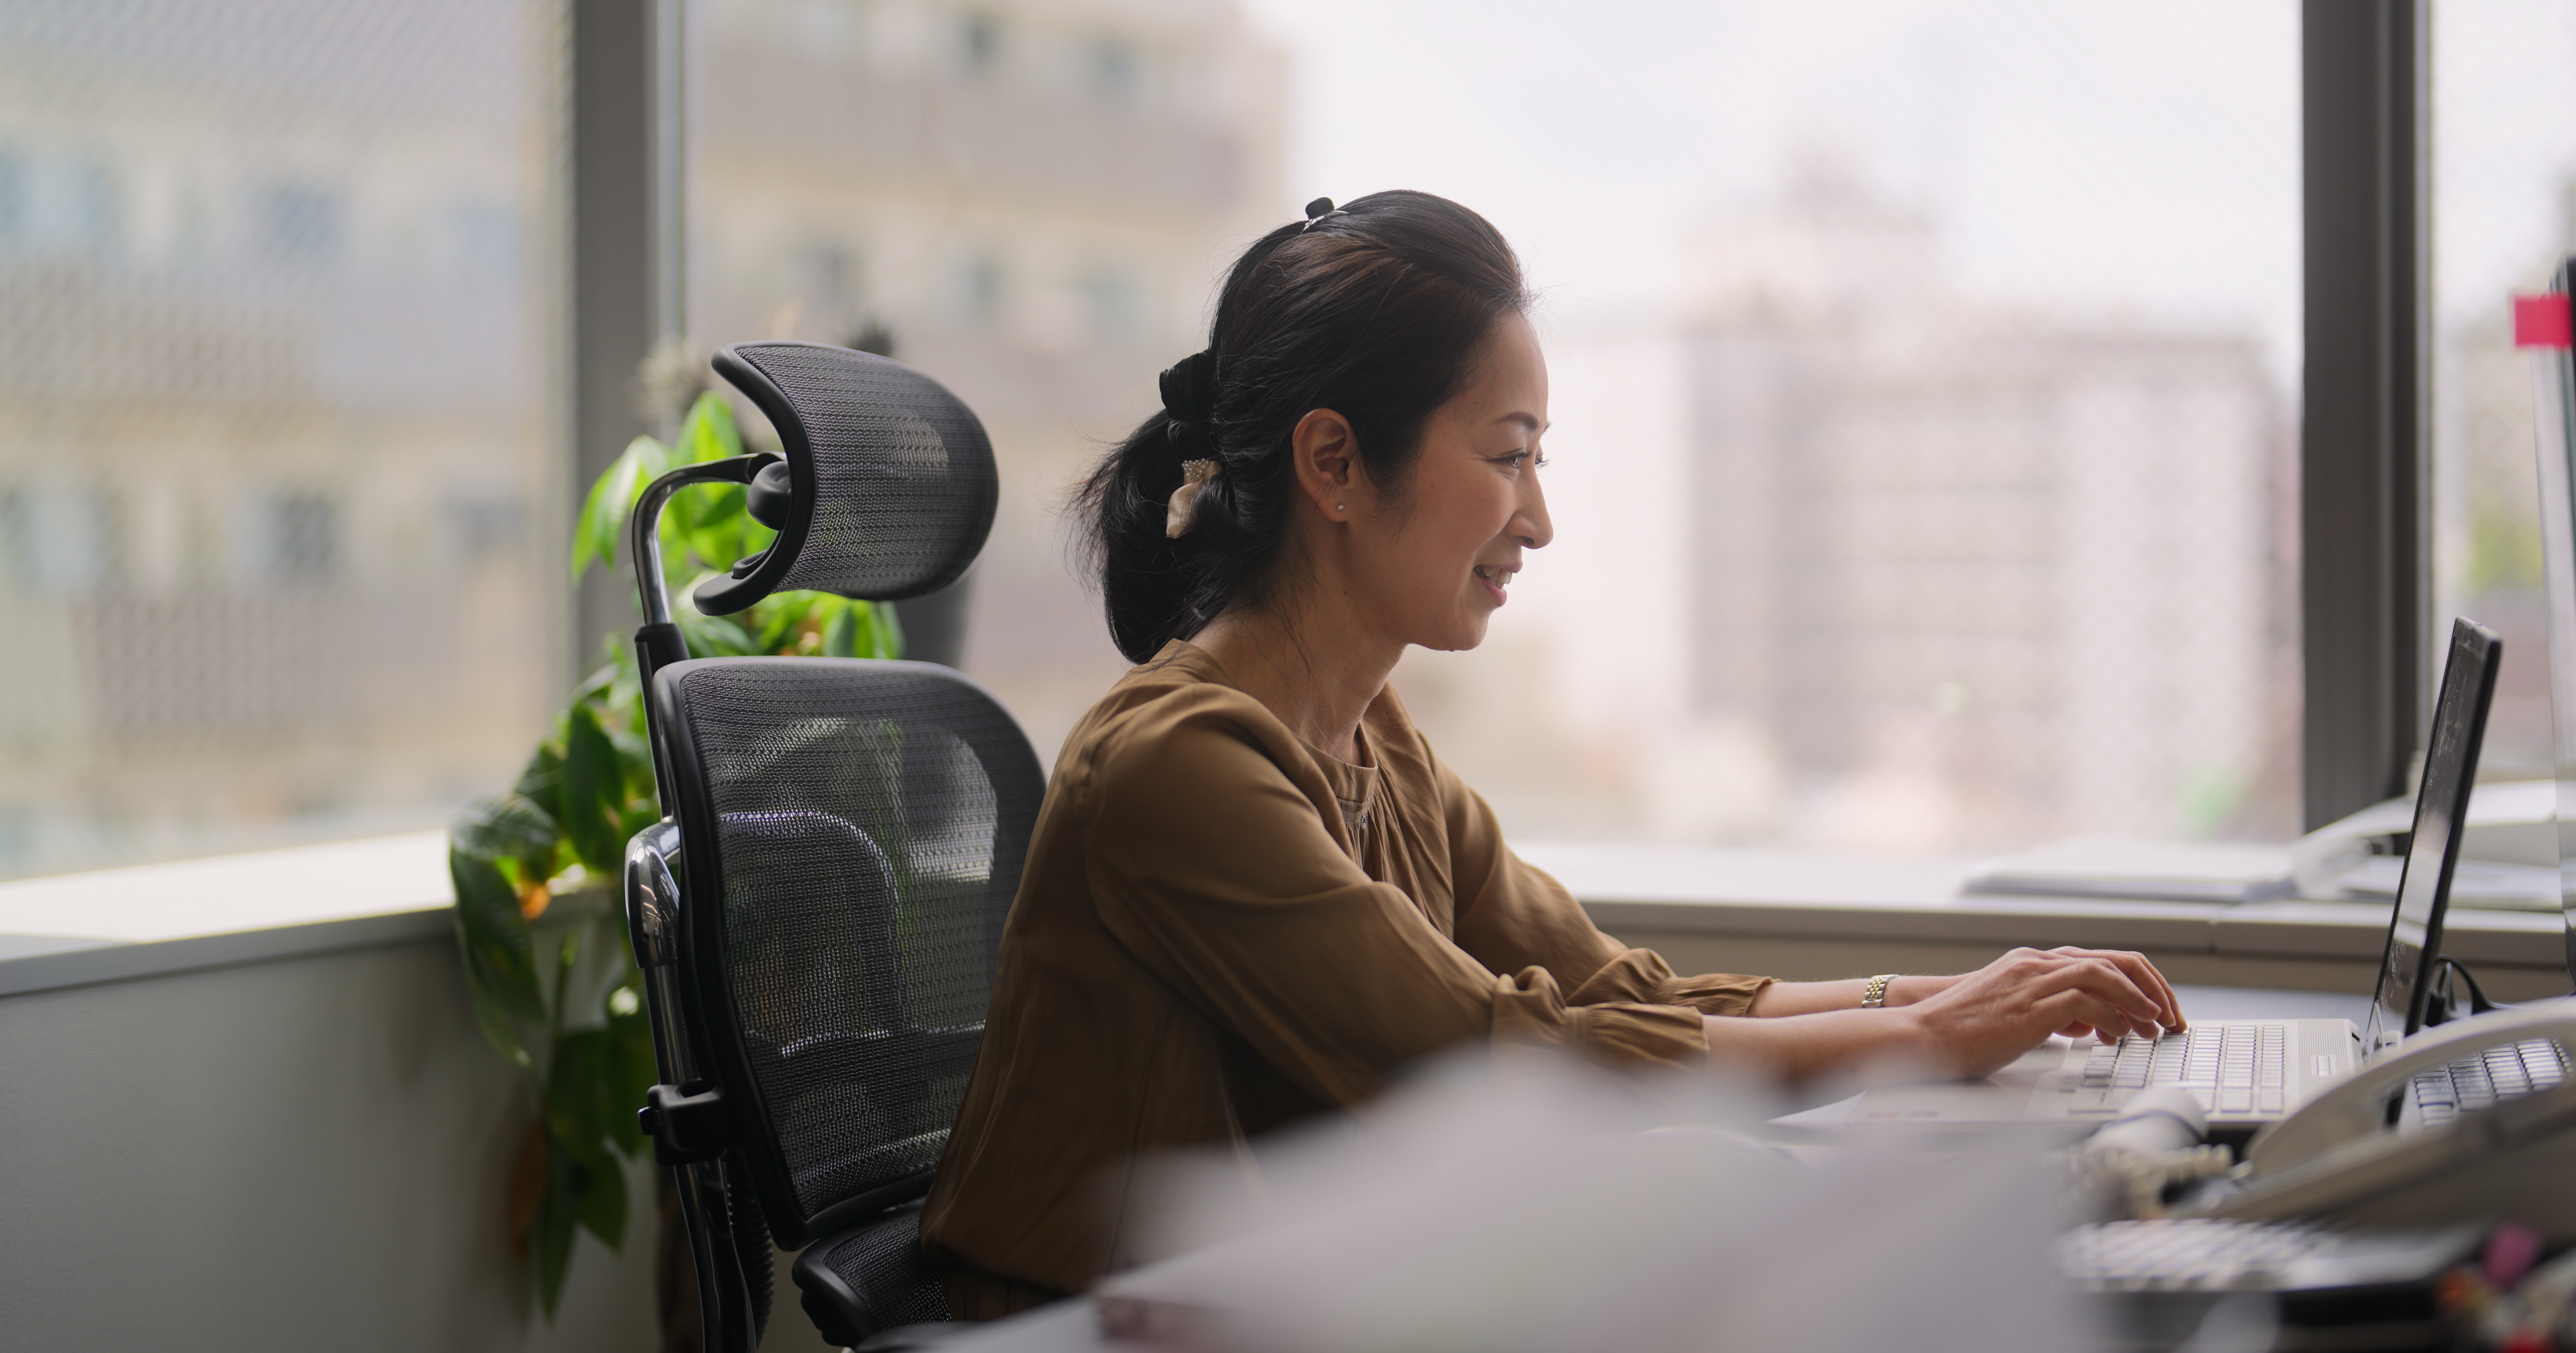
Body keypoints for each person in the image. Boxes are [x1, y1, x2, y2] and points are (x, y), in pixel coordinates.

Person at [917, 190, 2187, 1317]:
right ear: (1335, 461)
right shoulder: (1175, 765)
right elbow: (1489, 1060)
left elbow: (1616, 995)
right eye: (1508, 455)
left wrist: (1942, 998)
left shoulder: (1377, 742)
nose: (1538, 517)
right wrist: (1924, 1040)